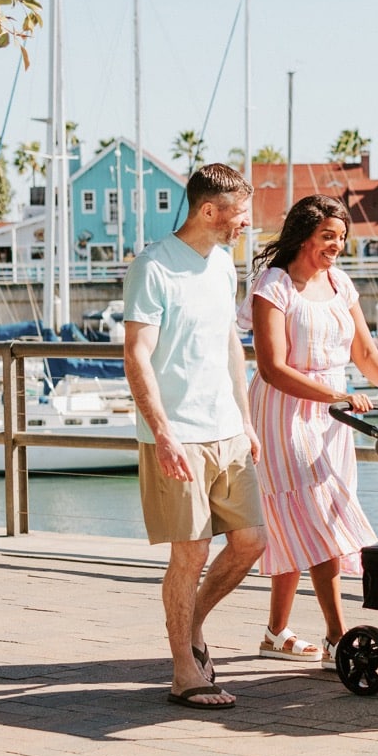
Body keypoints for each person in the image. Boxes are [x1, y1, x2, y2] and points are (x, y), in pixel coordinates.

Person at [122, 162, 265, 710]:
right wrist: (162, 434)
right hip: (178, 435)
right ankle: (185, 670)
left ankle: (192, 623)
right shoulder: (153, 268)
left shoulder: (224, 264)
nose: (246, 224)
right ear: (210, 211)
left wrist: (245, 419)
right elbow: (137, 355)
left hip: (227, 430)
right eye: (240, 215)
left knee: (251, 542)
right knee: (191, 552)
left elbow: (229, 344)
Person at [247, 194, 378, 670]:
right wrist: (336, 395)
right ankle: (337, 637)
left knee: (298, 523)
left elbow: (365, 354)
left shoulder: (339, 283)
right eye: (328, 235)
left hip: (334, 419)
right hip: (283, 415)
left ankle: (276, 633)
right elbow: (271, 368)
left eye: (342, 237)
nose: (336, 245)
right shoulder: (273, 285)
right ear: (303, 235)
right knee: (319, 519)